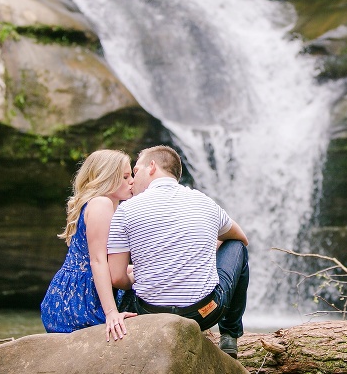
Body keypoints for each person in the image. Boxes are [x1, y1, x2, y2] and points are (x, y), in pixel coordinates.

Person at [107, 145, 249, 358]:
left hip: (147, 314)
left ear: (152, 167)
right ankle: (229, 335)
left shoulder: (126, 209)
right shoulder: (204, 202)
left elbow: (117, 278)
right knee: (236, 248)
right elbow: (241, 238)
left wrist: (135, 277)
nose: (132, 181)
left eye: (135, 172)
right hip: (204, 313)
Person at [41, 149, 138, 341]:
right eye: (126, 176)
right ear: (106, 177)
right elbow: (97, 261)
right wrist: (111, 312)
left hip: (70, 293)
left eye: (132, 175)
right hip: (79, 300)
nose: (132, 181)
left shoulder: (103, 204)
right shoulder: (101, 204)